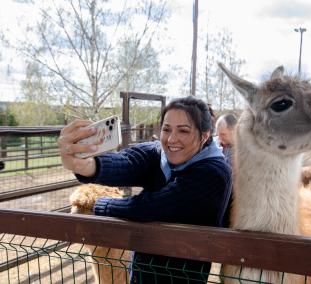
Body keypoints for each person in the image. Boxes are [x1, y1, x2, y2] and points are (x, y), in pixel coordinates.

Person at [58, 96, 232, 284]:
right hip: (141, 273)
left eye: (183, 131)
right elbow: (129, 161)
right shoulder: (161, 153)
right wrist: (87, 166)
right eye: (166, 129)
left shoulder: (215, 173)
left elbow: (155, 207)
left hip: (181, 278)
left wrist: (97, 205)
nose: (172, 139)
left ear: (204, 135)